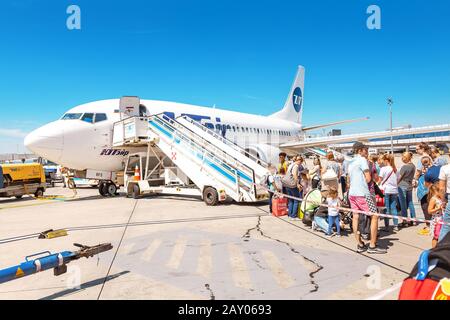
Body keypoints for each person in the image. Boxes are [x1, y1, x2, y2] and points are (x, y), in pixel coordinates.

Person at [347, 142, 386, 254]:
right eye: (366, 149)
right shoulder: (362, 160)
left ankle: (359, 244)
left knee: (355, 217)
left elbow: (349, 179)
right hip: (363, 193)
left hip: (352, 194)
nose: (367, 151)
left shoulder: (351, 162)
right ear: (360, 150)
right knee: (374, 216)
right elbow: (368, 179)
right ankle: (372, 246)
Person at [379, 153, 400, 231]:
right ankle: (396, 225)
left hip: (386, 190)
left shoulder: (383, 169)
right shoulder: (395, 169)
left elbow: (379, 180)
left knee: (386, 208)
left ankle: (387, 226)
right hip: (394, 190)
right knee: (394, 208)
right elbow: (398, 180)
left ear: (386, 160)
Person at [397, 152, 417, 226]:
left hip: (402, 186)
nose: (402, 159)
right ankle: (413, 219)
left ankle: (404, 221)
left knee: (403, 204)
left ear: (406, 158)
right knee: (410, 202)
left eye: (403, 157)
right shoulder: (413, 166)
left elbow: (400, 177)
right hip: (409, 185)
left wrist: (396, 183)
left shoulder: (404, 167)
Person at [282, 156, 302, 220]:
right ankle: (293, 216)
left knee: (291, 200)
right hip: (292, 184)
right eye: (300, 161)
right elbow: (294, 175)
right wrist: (297, 184)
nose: (300, 162)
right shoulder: (296, 166)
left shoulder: (291, 165)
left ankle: (290, 214)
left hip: (287, 184)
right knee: (296, 200)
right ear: (298, 160)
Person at [428, 184, 444, 248]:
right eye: (441, 191)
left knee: (441, 236)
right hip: (436, 220)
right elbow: (429, 211)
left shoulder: (440, 198)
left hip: (442, 219)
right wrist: (438, 208)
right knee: (436, 236)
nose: (443, 192)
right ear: (436, 191)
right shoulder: (433, 199)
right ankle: (434, 250)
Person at [438, 157, 450, 242]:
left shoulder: (445, 168)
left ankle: (440, 250)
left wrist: (443, 201)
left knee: (446, 225)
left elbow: (441, 188)